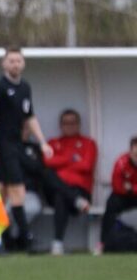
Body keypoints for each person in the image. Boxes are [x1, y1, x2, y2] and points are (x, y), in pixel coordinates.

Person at [0, 46, 53, 251]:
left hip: (16, 145)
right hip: (4, 146)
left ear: (24, 63)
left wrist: (42, 141)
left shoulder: (25, 88)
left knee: (2, 194)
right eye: (11, 60)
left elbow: (29, 116)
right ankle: (26, 239)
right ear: (4, 64)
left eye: (18, 61)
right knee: (18, 191)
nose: (15, 64)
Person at [44, 109, 97, 255]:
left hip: (80, 191)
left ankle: (57, 244)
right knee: (47, 174)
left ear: (79, 124)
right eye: (66, 123)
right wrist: (71, 158)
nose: (69, 126)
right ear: (60, 125)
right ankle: (75, 200)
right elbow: (47, 162)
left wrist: (60, 163)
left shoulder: (89, 143)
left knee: (61, 197)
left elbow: (86, 165)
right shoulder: (52, 143)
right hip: (65, 195)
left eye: (73, 122)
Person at [99, 136, 137, 252]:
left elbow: (128, 186)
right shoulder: (121, 162)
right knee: (111, 203)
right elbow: (117, 186)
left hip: (131, 191)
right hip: (125, 195)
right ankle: (104, 243)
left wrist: (132, 188)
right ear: (130, 151)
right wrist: (129, 190)